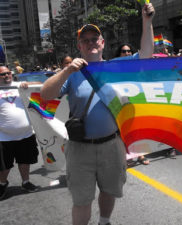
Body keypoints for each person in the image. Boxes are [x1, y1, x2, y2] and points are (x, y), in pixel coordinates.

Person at [40, 3, 155, 225]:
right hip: (80, 148)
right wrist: (66, 70)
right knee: (82, 200)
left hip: (112, 145)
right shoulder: (72, 73)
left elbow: (146, 55)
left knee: (110, 190)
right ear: (79, 46)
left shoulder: (116, 67)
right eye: (86, 40)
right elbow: (45, 94)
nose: (91, 43)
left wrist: (147, 22)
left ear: (102, 43)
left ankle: (104, 221)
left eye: (95, 39)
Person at [0, 65, 41, 200]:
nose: (6, 76)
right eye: (3, 74)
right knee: (4, 165)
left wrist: (27, 84)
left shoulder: (19, 86)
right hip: (4, 137)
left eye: (8, 73)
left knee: (25, 160)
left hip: (26, 134)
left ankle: (25, 182)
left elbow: (40, 85)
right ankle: (2, 184)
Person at [115, 43, 150, 165]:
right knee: (124, 129)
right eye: (123, 51)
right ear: (119, 54)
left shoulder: (137, 65)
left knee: (137, 129)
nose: (127, 53)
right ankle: (128, 155)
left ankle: (141, 155)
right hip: (121, 103)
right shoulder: (114, 67)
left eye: (129, 51)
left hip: (136, 101)